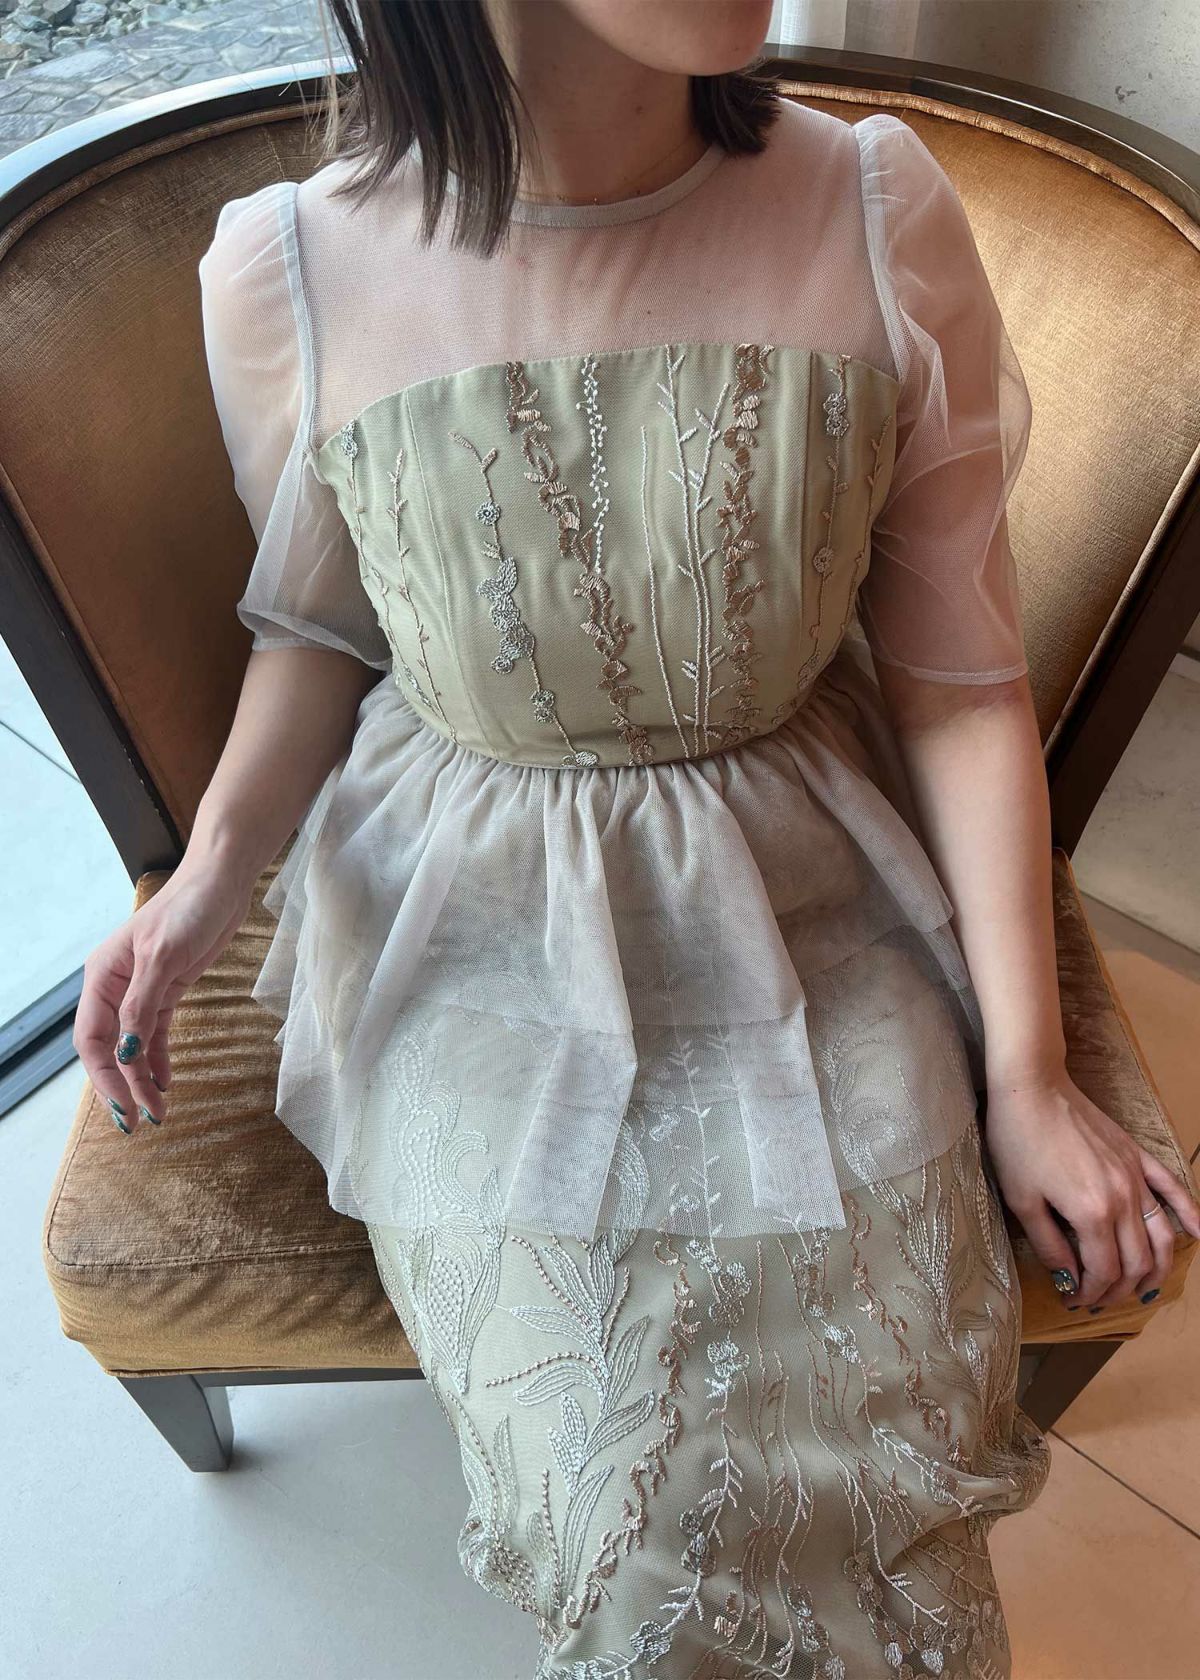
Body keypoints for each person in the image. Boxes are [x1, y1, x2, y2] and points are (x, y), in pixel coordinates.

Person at [74, 1, 1200, 1674]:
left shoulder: (875, 209)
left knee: (877, 1440)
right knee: (626, 1517)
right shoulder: (286, 269)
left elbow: (962, 687)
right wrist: (204, 887)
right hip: (470, 915)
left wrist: (1028, 1080)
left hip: (812, 883)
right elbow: (318, 627)